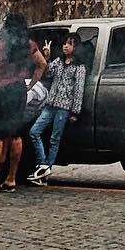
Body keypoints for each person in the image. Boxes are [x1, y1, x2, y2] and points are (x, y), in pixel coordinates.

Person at [0, 10, 45, 191]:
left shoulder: (1, 46)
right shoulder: (29, 45)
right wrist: (30, 85)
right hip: (18, 91)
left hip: (0, 92)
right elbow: (42, 64)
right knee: (15, 135)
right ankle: (11, 178)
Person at [28, 36, 85, 184]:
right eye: (65, 43)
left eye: (70, 44)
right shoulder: (58, 61)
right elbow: (48, 73)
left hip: (64, 107)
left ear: (76, 47)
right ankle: (43, 165)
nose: (66, 46)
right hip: (51, 104)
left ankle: (45, 172)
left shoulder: (79, 67)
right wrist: (46, 56)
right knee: (34, 132)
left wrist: (75, 112)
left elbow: (78, 91)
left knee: (55, 139)